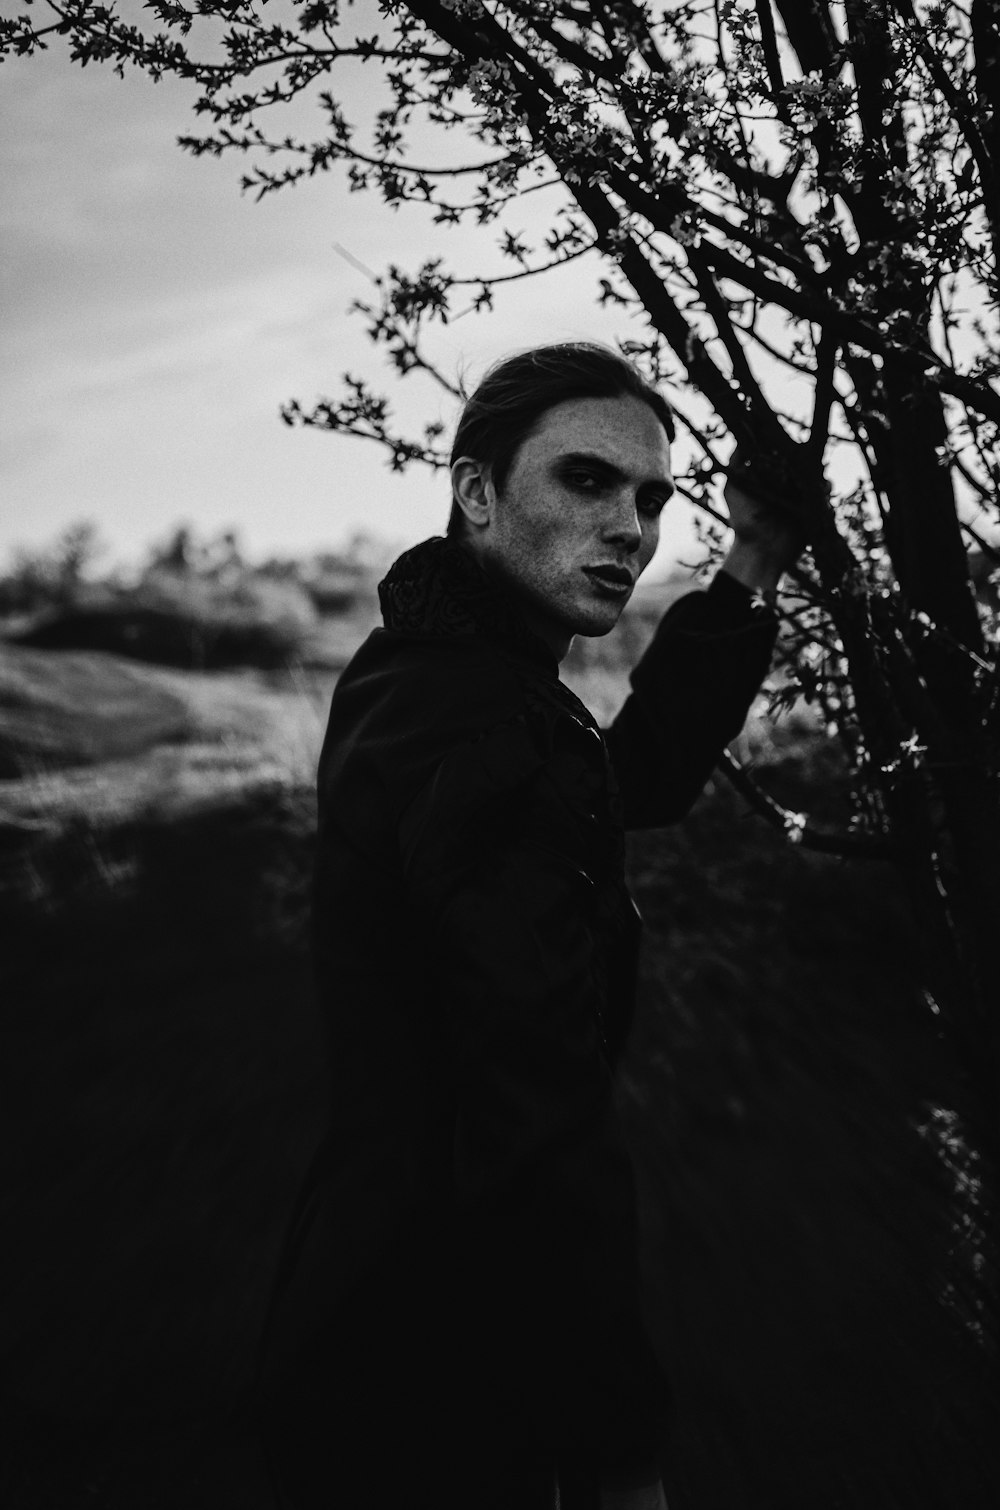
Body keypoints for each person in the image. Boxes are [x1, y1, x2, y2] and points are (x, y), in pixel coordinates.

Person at [255, 343, 803, 1510]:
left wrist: (751, 563)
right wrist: (614, 1449)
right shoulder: (477, 729)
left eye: (652, 498)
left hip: (387, 1298)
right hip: (434, 1361)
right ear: (476, 492)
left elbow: (621, 784)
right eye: (587, 482)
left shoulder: (432, 669)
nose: (632, 528)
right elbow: (537, 1119)